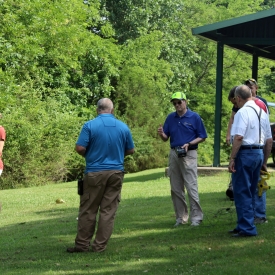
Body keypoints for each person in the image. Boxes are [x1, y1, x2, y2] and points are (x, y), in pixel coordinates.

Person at [67, 98, 135, 253]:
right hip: (116, 172)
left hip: (94, 172)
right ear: (112, 110)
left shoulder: (90, 125)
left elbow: (79, 148)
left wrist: (90, 155)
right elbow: (131, 150)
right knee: (108, 210)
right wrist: (117, 155)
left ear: (97, 110)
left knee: (89, 209)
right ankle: (99, 246)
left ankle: (82, 245)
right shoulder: (123, 127)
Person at [228, 85, 272, 237]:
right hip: (258, 153)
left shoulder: (242, 112)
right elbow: (269, 140)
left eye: (235, 100)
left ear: (238, 98)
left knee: (241, 192)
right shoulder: (262, 112)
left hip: (245, 154)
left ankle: (246, 228)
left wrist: (232, 158)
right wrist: (264, 162)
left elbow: (239, 137)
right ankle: (245, 223)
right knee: (252, 191)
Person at [157, 92, 207, 227]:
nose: (177, 105)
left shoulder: (194, 117)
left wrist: (189, 143)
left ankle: (196, 218)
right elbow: (165, 137)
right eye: (174, 103)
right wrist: (161, 133)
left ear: (185, 102)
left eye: (179, 102)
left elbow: (202, 136)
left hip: (189, 153)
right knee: (175, 187)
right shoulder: (170, 118)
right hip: (174, 153)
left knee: (191, 186)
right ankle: (181, 217)